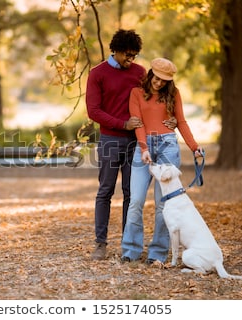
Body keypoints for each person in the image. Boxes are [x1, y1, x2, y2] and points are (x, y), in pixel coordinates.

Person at [86, 30, 176, 261]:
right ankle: (100, 243)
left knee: (131, 194)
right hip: (109, 140)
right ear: (115, 50)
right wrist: (122, 124)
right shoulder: (97, 73)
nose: (131, 60)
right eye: (128, 54)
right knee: (105, 191)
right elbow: (93, 111)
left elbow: (156, 98)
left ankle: (128, 246)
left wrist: (172, 118)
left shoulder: (139, 73)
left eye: (135, 55)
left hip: (135, 142)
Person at [120, 57, 204, 264]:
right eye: (156, 78)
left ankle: (157, 253)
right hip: (144, 146)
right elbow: (138, 123)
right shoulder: (136, 93)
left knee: (163, 205)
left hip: (168, 146)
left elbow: (181, 121)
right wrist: (144, 148)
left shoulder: (173, 94)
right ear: (150, 74)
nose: (158, 83)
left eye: (163, 80)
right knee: (136, 201)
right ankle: (130, 250)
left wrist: (194, 147)